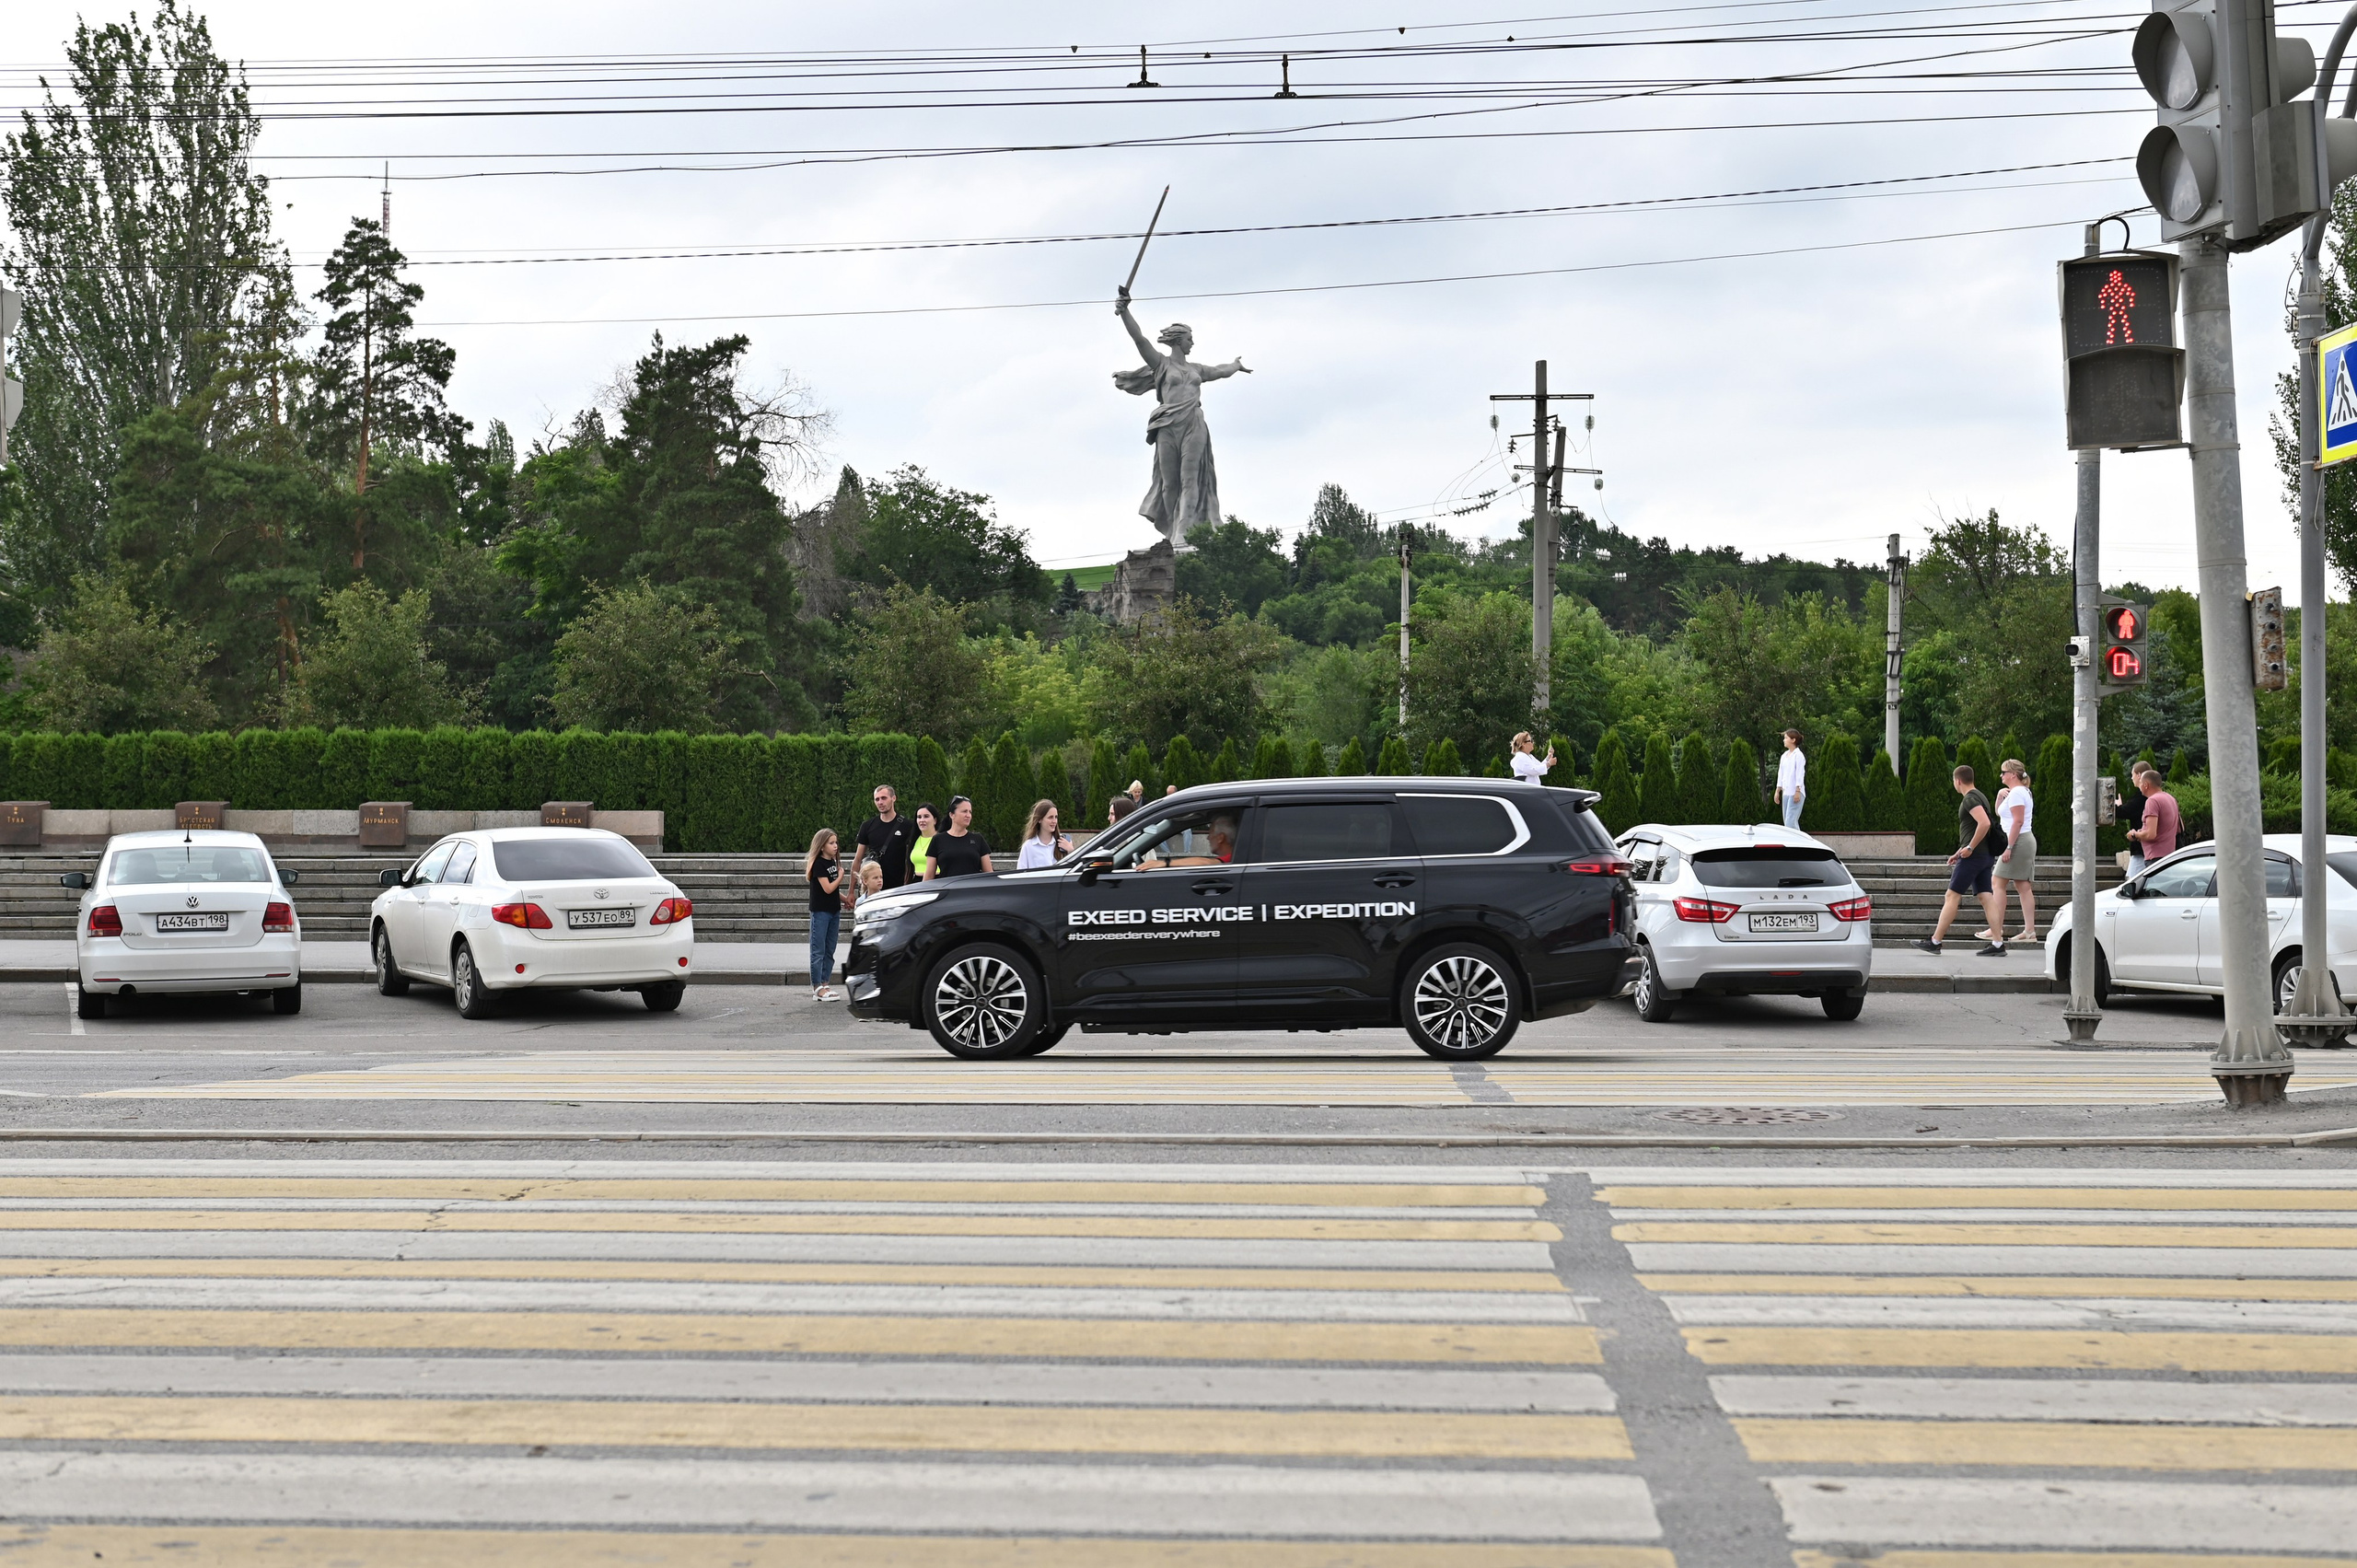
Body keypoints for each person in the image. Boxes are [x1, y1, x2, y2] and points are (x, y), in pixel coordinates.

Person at [1913, 763, 2009, 958]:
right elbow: (1977, 828)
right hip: (1984, 856)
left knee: (1952, 896)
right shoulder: (1980, 796)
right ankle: (1998, 943)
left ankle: (1935, 941)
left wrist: (1969, 848)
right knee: (1986, 897)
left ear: (1958, 781)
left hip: (1974, 856)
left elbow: (1984, 823)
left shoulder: (1969, 799)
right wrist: (1960, 851)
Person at [1984, 759, 2038, 942]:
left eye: (2004, 772)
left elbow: (2018, 821)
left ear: (2013, 775)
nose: (2001, 775)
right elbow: (2001, 813)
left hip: (2018, 841)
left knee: (1997, 882)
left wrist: (2008, 847)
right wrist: (2000, 796)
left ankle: (1996, 928)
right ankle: (2029, 931)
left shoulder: (2016, 793)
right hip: (2021, 840)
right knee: (2023, 886)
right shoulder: (2020, 792)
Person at [852, 784, 918, 890]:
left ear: (894, 798)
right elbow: (858, 859)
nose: (880, 802)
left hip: (898, 887)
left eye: (883, 798)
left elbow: (912, 858)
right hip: (873, 889)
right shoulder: (868, 826)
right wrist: (851, 891)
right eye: (877, 799)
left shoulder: (907, 826)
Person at [805, 829, 843, 1000]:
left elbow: (832, 891)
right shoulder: (819, 864)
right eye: (831, 843)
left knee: (830, 949)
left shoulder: (832, 863)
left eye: (836, 842)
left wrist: (845, 900)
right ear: (821, 846)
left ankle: (825, 983)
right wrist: (841, 877)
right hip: (821, 912)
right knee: (818, 950)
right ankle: (817, 987)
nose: (835, 846)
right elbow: (828, 888)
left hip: (834, 910)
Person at [923, 796, 994, 878]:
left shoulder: (978, 839)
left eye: (970, 812)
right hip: (948, 890)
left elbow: (989, 875)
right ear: (952, 815)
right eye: (964, 811)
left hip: (972, 889)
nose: (968, 815)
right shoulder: (938, 840)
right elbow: (928, 877)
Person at [2132, 767, 2181, 865]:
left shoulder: (2152, 801)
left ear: (2146, 785)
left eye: (2141, 783)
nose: (2140, 786)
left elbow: (2151, 834)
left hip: (2155, 858)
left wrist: (2134, 835)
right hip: (2169, 855)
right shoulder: (2171, 798)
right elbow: (2178, 829)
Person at [1017, 799, 1073, 869]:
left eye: (1056, 817)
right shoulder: (1028, 846)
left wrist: (1071, 851)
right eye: (1050, 817)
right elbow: (1021, 874)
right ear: (1039, 819)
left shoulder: (1064, 843)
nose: (1054, 821)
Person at [2119, 763, 2154, 875]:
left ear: (2139, 775)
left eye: (2132, 774)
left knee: (2131, 884)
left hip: (2142, 849)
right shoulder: (2153, 797)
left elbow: (2125, 811)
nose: (2132, 778)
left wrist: (2117, 807)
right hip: (2149, 850)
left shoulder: (2141, 797)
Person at [1774, 728, 1806, 830]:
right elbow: (1781, 774)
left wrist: (1798, 791)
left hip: (1795, 792)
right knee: (1787, 822)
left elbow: (1800, 774)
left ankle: (1798, 843)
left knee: (1790, 822)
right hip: (1786, 793)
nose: (1784, 740)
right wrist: (1777, 791)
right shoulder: (1784, 756)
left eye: (1786, 738)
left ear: (1793, 740)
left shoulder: (1798, 755)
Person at [908, 803, 940, 883]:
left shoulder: (942, 839)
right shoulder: (914, 839)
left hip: (937, 881)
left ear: (935, 820)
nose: (922, 820)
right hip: (915, 882)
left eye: (926, 816)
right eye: (919, 817)